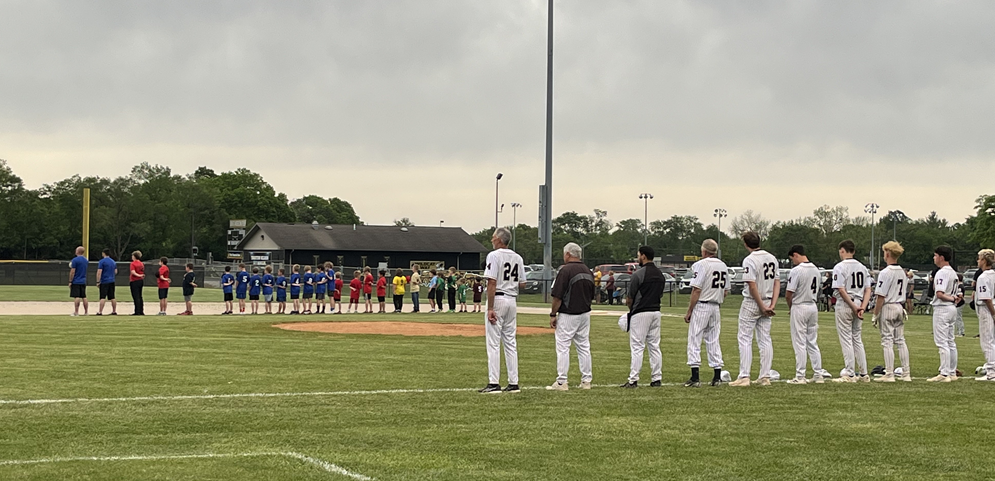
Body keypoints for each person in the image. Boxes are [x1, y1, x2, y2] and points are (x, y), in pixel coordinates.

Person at [730, 231, 780, 387]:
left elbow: (752, 285)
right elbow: (777, 282)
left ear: (746, 244)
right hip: (767, 299)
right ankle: (765, 376)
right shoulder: (772, 258)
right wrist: (772, 304)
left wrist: (761, 305)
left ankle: (744, 376)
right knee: (765, 339)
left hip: (753, 302)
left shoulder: (749, 260)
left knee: (745, 338)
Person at [479, 227, 523, 394]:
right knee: (510, 342)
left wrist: (490, 307)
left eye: (493, 237)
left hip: (498, 298)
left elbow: (491, 282)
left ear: (499, 239)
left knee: (493, 343)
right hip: (512, 299)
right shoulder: (517, 257)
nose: (492, 240)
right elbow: (523, 282)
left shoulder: (494, 255)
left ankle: (493, 382)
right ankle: (513, 383)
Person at [546, 242, 594, 391]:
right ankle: (586, 381)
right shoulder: (588, 270)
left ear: (568, 254)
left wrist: (553, 314)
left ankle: (562, 381)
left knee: (563, 347)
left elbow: (557, 296)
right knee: (584, 347)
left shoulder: (565, 270)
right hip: (585, 313)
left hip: (569, 313)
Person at [683, 239, 728, 387]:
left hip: (702, 305)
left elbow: (696, 289)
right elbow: (726, 290)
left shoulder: (701, 265)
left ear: (704, 251)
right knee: (713, 339)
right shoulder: (723, 265)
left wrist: (690, 310)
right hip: (716, 306)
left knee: (695, 338)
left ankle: (695, 377)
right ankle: (717, 376)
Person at [620, 246, 664, 388]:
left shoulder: (639, 274)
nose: (638, 258)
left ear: (643, 256)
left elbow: (630, 297)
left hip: (641, 312)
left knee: (637, 347)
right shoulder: (660, 274)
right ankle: (656, 378)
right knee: (654, 346)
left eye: (639, 255)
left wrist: (631, 309)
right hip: (656, 311)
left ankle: (633, 379)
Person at [831, 239, 871, 383]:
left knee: (846, 338)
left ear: (842, 251)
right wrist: (862, 307)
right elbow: (868, 289)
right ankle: (863, 373)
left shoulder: (840, 267)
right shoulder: (863, 267)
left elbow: (840, 289)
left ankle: (849, 372)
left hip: (846, 303)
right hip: (859, 301)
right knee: (857, 338)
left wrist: (853, 307)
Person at [872, 241, 912, 382]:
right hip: (899, 306)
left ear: (887, 253)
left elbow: (881, 295)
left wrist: (875, 313)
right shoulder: (902, 272)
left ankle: (889, 373)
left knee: (887, 341)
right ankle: (906, 373)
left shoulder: (885, 272)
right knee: (900, 340)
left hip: (888, 306)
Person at [785, 245, 824, 384]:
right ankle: (818, 373)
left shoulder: (797, 271)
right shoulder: (816, 270)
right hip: (812, 306)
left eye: (792, 258)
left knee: (799, 342)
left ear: (796, 255)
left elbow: (789, 293)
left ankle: (800, 375)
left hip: (800, 305)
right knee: (812, 341)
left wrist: (791, 307)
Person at [928, 245, 960, 382]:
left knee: (942, 342)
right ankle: (952, 371)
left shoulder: (941, 272)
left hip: (943, 308)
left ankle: (944, 373)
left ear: (941, 257)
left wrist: (951, 298)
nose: (934, 258)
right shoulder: (953, 272)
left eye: (935, 255)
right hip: (952, 309)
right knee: (950, 341)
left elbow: (940, 294)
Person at [973, 249, 995, 381]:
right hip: (990, 307)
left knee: (987, 340)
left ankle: (991, 371)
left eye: (979, 258)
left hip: (987, 310)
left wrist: (993, 314)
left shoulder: (983, 277)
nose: (977, 261)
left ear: (984, 261)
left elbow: (986, 298)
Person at [95, 248, 118, 316]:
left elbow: (99, 272)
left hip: (104, 281)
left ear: (103, 253)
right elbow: (116, 271)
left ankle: (100, 311)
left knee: (102, 297)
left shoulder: (102, 261)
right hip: (112, 281)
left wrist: (98, 281)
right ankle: (114, 311)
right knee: (112, 297)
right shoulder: (113, 261)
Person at [69, 246, 89, 316]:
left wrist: (70, 281)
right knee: (84, 296)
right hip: (83, 280)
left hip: (76, 280)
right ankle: (86, 312)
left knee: (76, 296)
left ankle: (76, 312)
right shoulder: (86, 260)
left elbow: (72, 271)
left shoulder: (75, 260)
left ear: (77, 251)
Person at [129, 250, 145, 316]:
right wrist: (141, 276)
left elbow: (133, 272)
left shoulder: (133, 263)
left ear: (134, 256)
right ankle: (141, 310)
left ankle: (137, 311)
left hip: (134, 280)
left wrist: (139, 275)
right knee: (140, 296)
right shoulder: (141, 263)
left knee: (136, 296)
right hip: (140, 281)